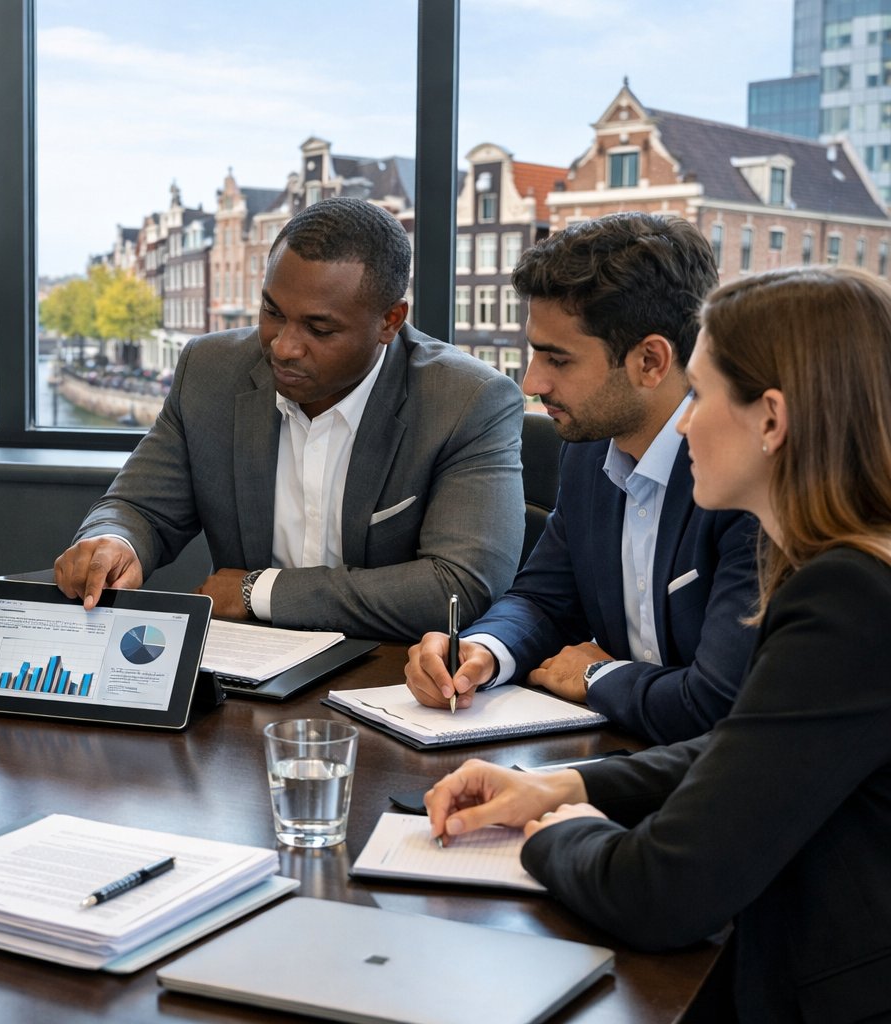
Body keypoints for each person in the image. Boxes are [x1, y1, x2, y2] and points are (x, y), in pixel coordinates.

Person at [425, 265, 891, 1021]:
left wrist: (557, 833)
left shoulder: (848, 599)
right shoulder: (855, 568)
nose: (680, 424)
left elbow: (659, 893)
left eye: (702, 395)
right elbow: (749, 748)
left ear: (771, 420)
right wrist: (570, 785)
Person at [54, 197, 524, 639]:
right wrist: (114, 541)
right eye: (272, 312)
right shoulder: (210, 370)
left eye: (319, 328)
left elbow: (460, 585)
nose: (283, 346)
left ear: (390, 321)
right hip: (245, 676)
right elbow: (141, 508)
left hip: (394, 681)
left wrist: (257, 592)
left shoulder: (467, 400)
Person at [404, 213, 758, 743]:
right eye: (533, 352)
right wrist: (485, 651)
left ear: (650, 361)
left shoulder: (746, 479)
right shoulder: (589, 452)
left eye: (557, 359)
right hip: (622, 757)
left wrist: (597, 676)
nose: (531, 381)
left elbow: (719, 704)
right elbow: (545, 600)